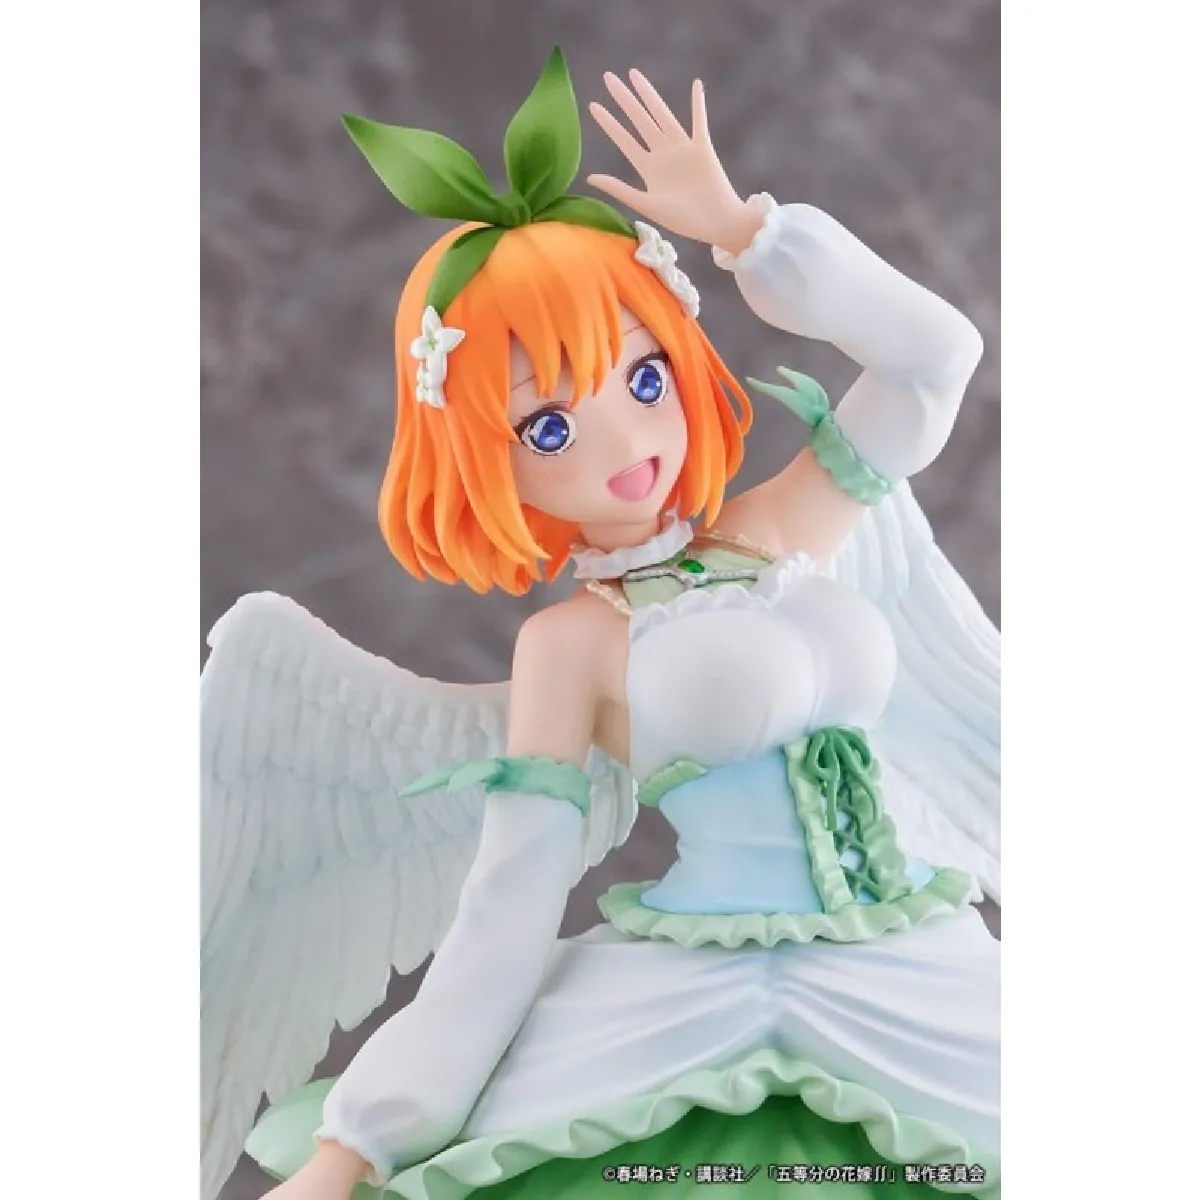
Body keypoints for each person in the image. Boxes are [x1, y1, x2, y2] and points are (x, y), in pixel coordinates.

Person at [201, 48, 1000, 1200]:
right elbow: (508, 904)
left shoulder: (780, 525)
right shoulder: (570, 648)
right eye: (548, 428)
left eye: (642, 379)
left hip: (917, 966)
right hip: (712, 997)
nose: (626, 445)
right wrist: (357, 1145)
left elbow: (935, 362)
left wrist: (750, 235)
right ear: (483, 461)